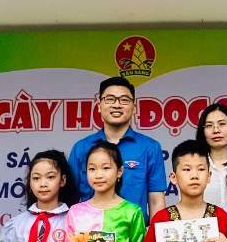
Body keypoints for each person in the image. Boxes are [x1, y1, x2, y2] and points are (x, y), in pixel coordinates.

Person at [69, 76, 167, 221]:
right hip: (89, 231)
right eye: (110, 99)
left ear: (134, 108)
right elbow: (70, 197)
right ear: (99, 106)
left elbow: (156, 201)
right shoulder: (81, 148)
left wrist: (154, 233)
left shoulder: (150, 147)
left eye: (124, 100)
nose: (116, 105)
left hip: (135, 232)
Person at [195, 103, 227, 208]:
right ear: (203, 131)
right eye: (209, 125)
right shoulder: (194, 165)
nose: (216, 130)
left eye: (222, 124)